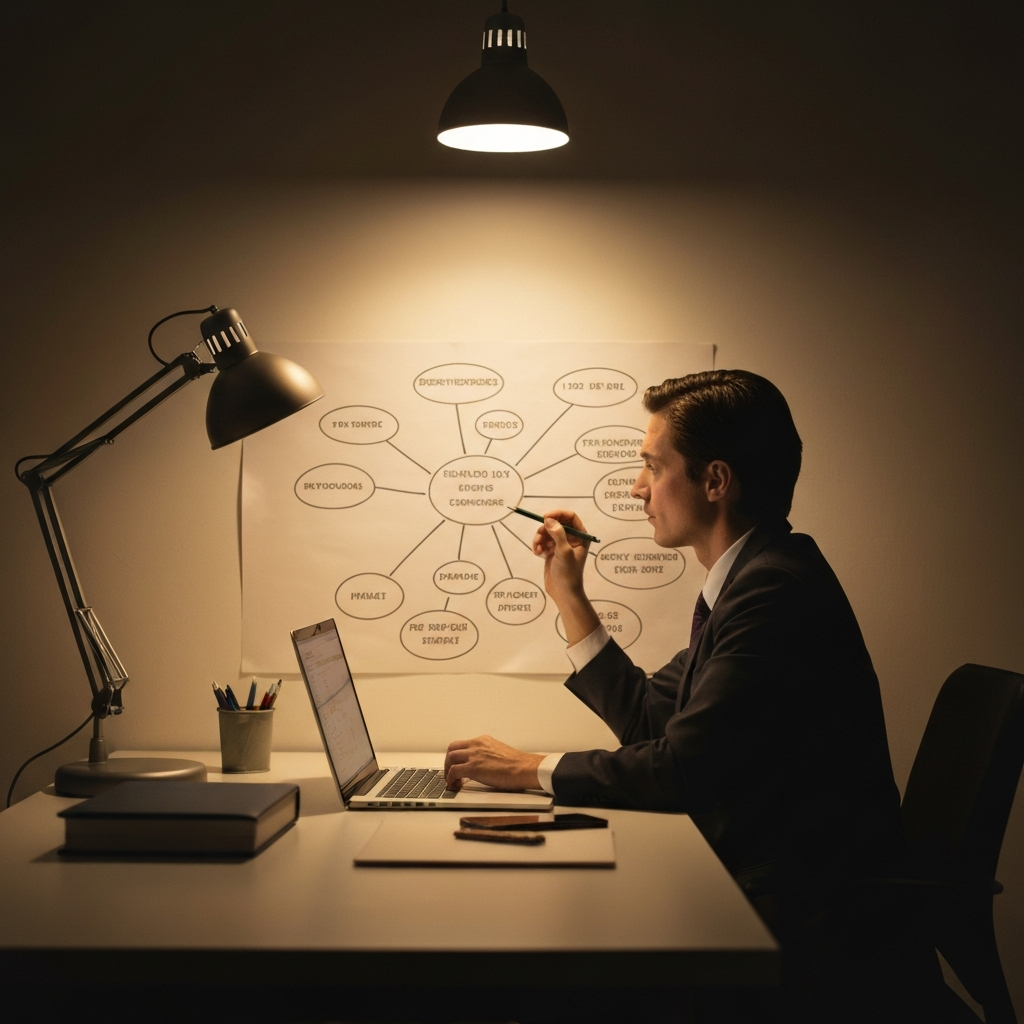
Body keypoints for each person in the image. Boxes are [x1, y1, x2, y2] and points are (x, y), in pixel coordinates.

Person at [444, 369, 941, 1021]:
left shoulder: (774, 596)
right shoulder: (756, 582)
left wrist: (530, 769)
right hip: (768, 903)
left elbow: (680, 768)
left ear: (715, 480)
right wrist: (569, 593)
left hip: (807, 938)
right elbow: (654, 719)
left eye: (654, 464)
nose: (638, 486)